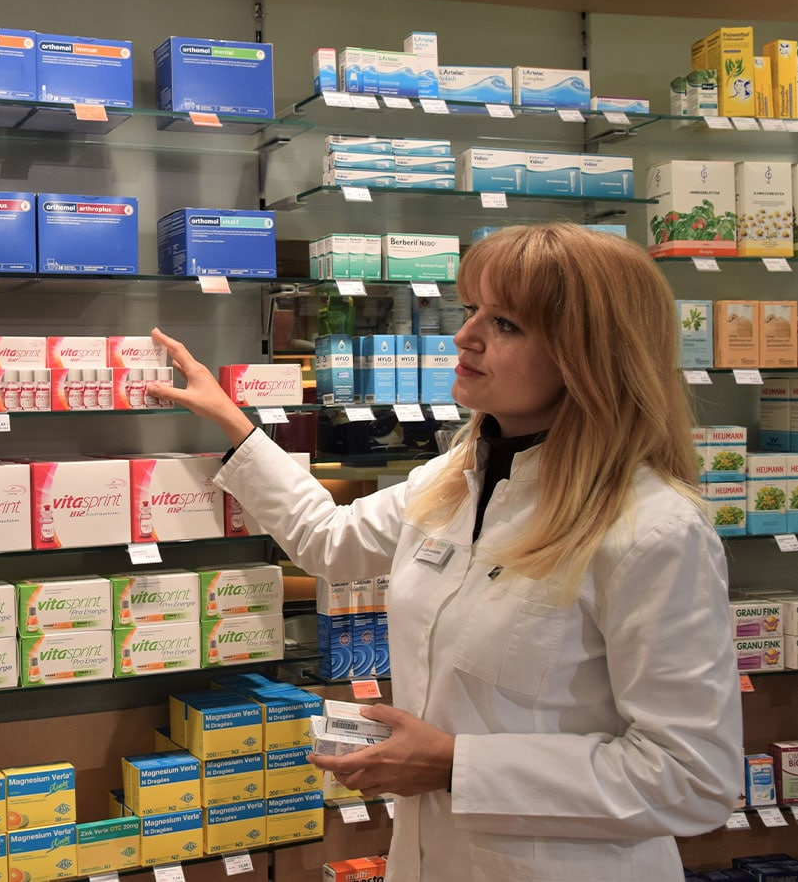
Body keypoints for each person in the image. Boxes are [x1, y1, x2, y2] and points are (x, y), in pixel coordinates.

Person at [148, 222, 742, 882]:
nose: (465, 336)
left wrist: (455, 765)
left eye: (506, 324)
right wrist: (231, 419)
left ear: (589, 355)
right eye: (470, 309)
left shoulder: (651, 529)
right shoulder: (455, 478)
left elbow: (693, 778)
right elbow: (330, 540)